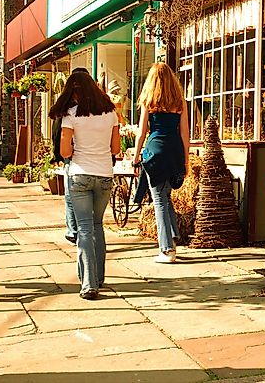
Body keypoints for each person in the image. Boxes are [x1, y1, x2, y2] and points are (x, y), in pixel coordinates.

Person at [52, 73, 120, 300]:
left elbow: (64, 152)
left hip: (80, 174)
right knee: (98, 224)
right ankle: (99, 277)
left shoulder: (71, 115)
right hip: (104, 175)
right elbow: (115, 148)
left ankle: (89, 284)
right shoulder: (111, 113)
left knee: (84, 228)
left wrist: (76, 147)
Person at [133, 62, 190, 263]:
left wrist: (136, 156)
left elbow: (141, 133)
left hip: (155, 151)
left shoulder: (148, 101)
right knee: (166, 197)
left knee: (158, 199)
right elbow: (185, 134)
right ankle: (173, 236)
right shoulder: (180, 103)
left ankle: (166, 249)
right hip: (174, 151)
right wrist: (186, 160)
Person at [49, 67, 91, 245]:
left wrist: (57, 153)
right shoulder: (97, 105)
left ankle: (74, 231)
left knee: (71, 194)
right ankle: (80, 230)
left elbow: (56, 132)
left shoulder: (66, 107)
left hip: (73, 155)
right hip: (89, 155)